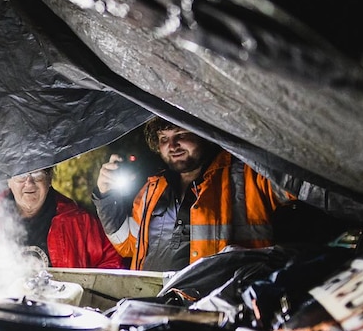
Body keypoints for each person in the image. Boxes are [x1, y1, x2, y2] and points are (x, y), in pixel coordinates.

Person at [92, 116, 342, 272]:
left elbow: (305, 181)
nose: (173, 145)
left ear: (203, 134)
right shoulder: (152, 190)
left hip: (218, 312)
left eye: (181, 134)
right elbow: (127, 245)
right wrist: (105, 196)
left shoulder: (247, 176)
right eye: (164, 138)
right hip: (151, 309)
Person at [0, 167, 123, 269]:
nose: (29, 183)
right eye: (21, 175)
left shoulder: (80, 223)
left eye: (37, 174)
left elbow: (111, 266)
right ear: (8, 181)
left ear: (49, 179)